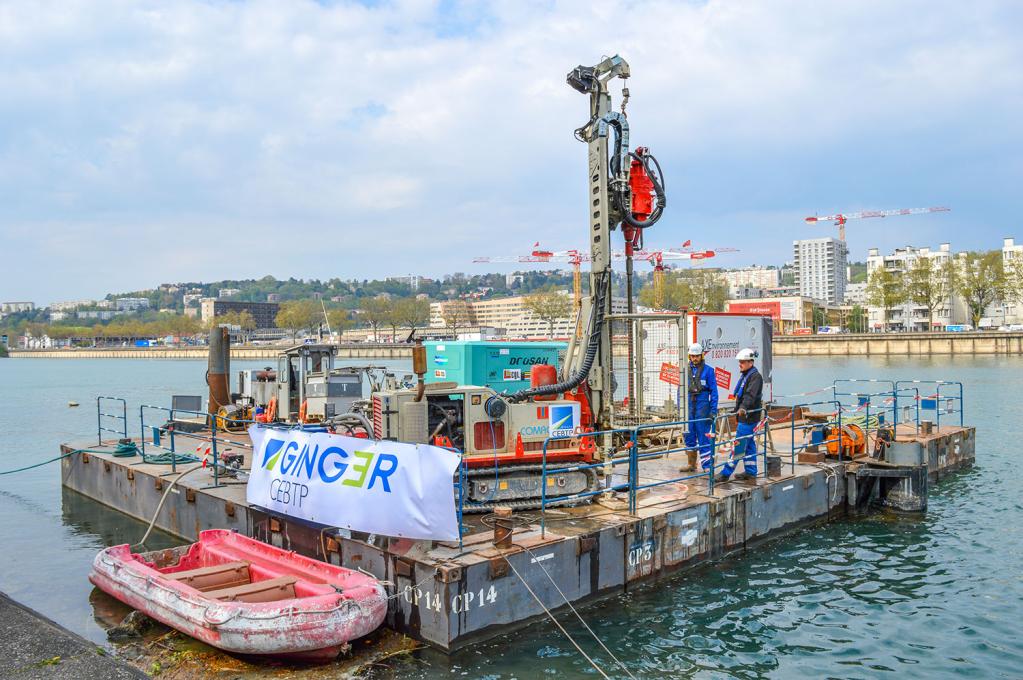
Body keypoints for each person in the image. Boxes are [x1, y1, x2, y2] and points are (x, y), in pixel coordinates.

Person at [717, 347, 763, 483]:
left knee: (739, 445)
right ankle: (751, 472)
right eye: (739, 362)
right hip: (745, 417)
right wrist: (737, 409)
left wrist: (742, 408)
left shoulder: (755, 377)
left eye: (742, 362)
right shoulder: (747, 375)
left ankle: (725, 473)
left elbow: (750, 396)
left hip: (749, 418)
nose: (740, 364)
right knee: (748, 446)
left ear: (750, 362)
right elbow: (742, 396)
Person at [684, 343, 718, 471]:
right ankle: (691, 464)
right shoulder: (685, 370)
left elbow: (714, 392)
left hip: (702, 406)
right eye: (692, 356)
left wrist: (713, 410)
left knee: (704, 436)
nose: (694, 358)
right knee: (689, 434)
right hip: (688, 406)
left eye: (697, 356)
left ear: (701, 355)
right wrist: (680, 408)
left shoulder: (709, 371)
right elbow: (680, 391)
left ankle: (707, 466)